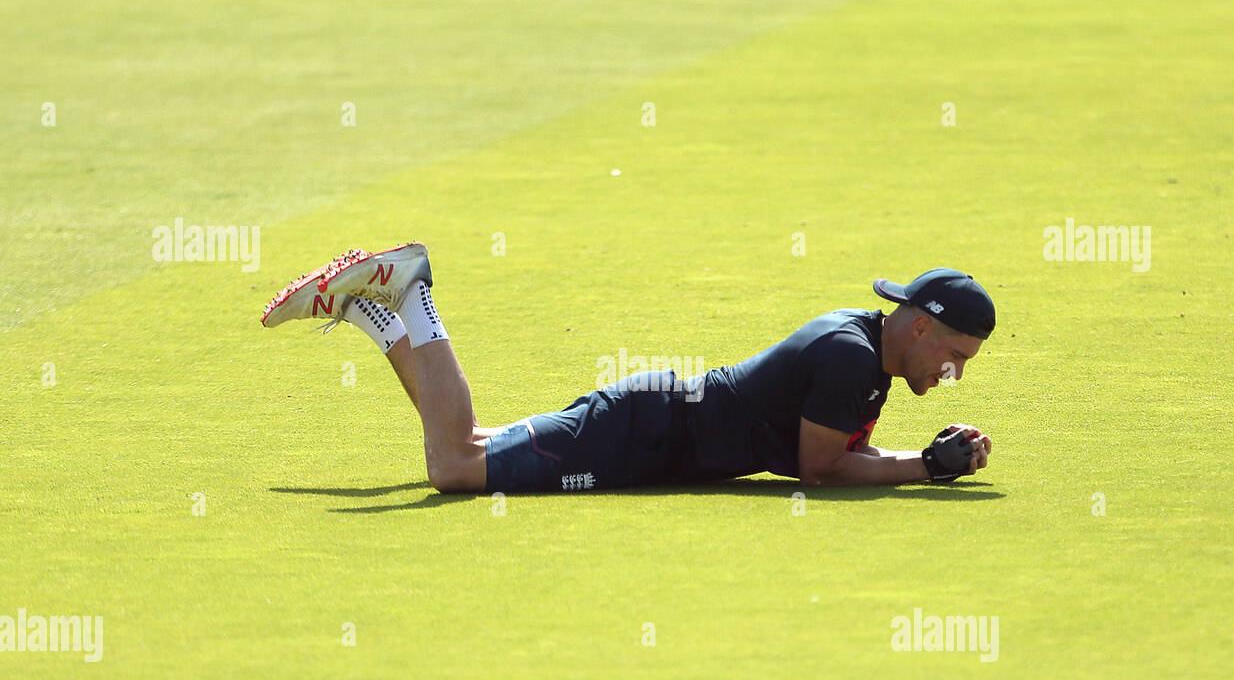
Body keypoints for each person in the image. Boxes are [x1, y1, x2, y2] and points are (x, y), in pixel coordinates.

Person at [261, 243, 995, 493]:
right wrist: (925, 468)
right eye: (956, 356)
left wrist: (920, 457)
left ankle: (367, 311)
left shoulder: (862, 349)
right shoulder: (852, 359)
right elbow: (821, 469)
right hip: (638, 436)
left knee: (473, 446)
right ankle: (413, 293)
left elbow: (838, 452)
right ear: (924, 325)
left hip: (644, 425)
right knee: (456, 464)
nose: (954, 372)